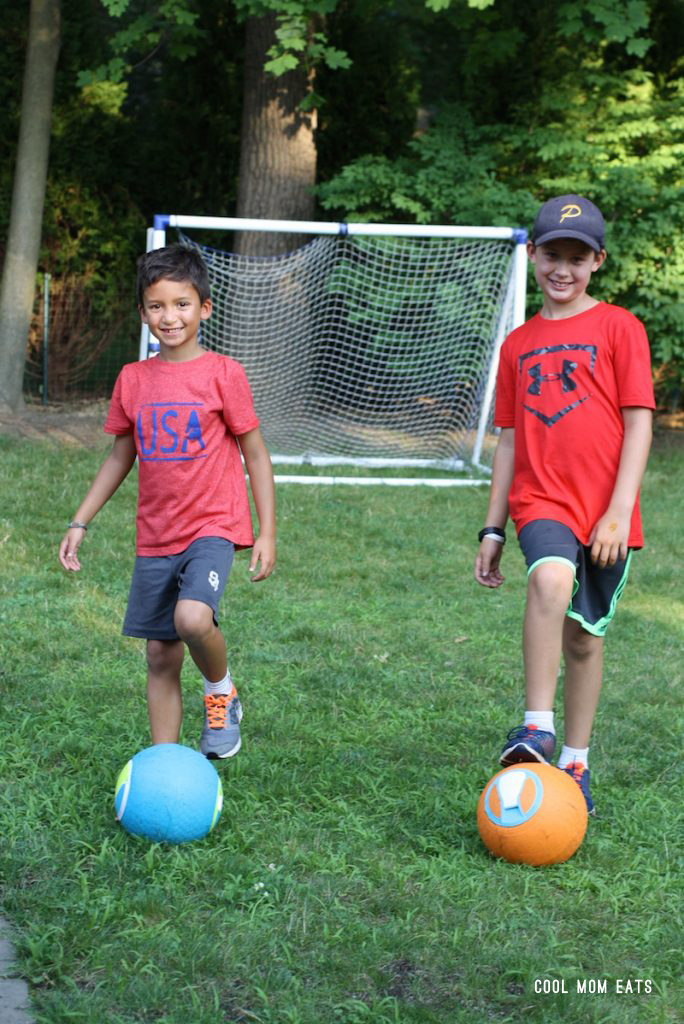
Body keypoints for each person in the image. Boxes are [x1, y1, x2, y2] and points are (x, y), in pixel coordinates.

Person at [58, 243, 276, 760]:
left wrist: (266, 532)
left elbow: (256, 454)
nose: (169, 316)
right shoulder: (133, 380)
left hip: (213, 525)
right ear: (143, 313)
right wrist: (79, 521)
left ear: (205, 307)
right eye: (157, 306)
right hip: (156, 535)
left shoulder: (224, 373)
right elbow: (120, 456)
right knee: (160, 654)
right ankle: (165, 765)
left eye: (181, 304)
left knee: (193, 619)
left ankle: (220, 692)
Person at [474, 194, 654, 813]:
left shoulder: (621, 328)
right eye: (553, 255)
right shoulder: (518, 344)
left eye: (578, 258)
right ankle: (537, 727)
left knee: (583, 641)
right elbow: (508, 441)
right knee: (549, 579)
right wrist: (493, 528)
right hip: (541, 500)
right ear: (533, 254)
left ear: (597, 262)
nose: (563, 269)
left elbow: (639, 424)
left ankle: (575, 761)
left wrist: (617, 511)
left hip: (606, 514)